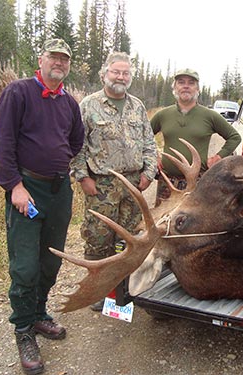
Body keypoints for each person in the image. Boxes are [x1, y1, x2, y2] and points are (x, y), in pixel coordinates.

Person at [0, 39, 84, 375]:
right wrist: (14, 185)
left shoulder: (69, 103)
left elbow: (76, 140)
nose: (59, 63)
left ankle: (40, 313)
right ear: (41, 59)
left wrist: (56, 162)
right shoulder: (18, 93)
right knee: (25, 265)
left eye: (65, 59)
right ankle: (23, 330)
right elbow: (1, 141)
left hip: (60, 191)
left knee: (51, 260)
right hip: (26, 191)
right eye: (54, 57)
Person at [70, 52, 157, 310]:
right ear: (104, 73)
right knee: (98, 237)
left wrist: (148, 173)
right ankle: (98, 291)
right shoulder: (88, 105)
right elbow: (77, 146)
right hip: (102, 184)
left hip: (133, 184)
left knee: (130, 238)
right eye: (116, 72)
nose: (120, 77)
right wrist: (83, 177)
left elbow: (150, 144)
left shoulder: (137, 106)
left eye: (125, 73)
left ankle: (124, 289)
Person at [150, 68, 241, 206]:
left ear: (197, 88)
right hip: (167, 183)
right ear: (175, 87)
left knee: (194, 224)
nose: (186, 86)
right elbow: (143, 137)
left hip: (197, 184)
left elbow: (234, 137)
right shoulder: (163, 115)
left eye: (191, 83)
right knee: (162, 222)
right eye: (181, 82)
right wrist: (153, 155)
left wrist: (218, 157)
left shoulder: (209, 116)